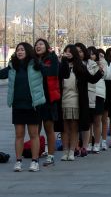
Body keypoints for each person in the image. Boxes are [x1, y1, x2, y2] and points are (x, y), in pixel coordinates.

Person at [1, 43, 46, 172]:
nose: (19, 52)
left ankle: (34, 161)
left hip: (33, 105)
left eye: (22, 50)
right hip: (17, 105)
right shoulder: (12, 66)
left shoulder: (36, 65)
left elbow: (52, 71)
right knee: (19, 135)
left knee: (34, 135)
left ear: (28, 51)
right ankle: (18, 161)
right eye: (17, 50)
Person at [34, 38, 62, 167]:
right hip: (35, 99)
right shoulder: (32, 60)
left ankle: (50, 155)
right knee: (35, 130)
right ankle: (36, 155)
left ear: (46, 46)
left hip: (48, 99)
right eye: (36, 45)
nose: (38, 46)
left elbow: (50, 72)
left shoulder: (52, 58)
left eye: (41, 44)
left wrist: (39, 65)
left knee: (49, 128)